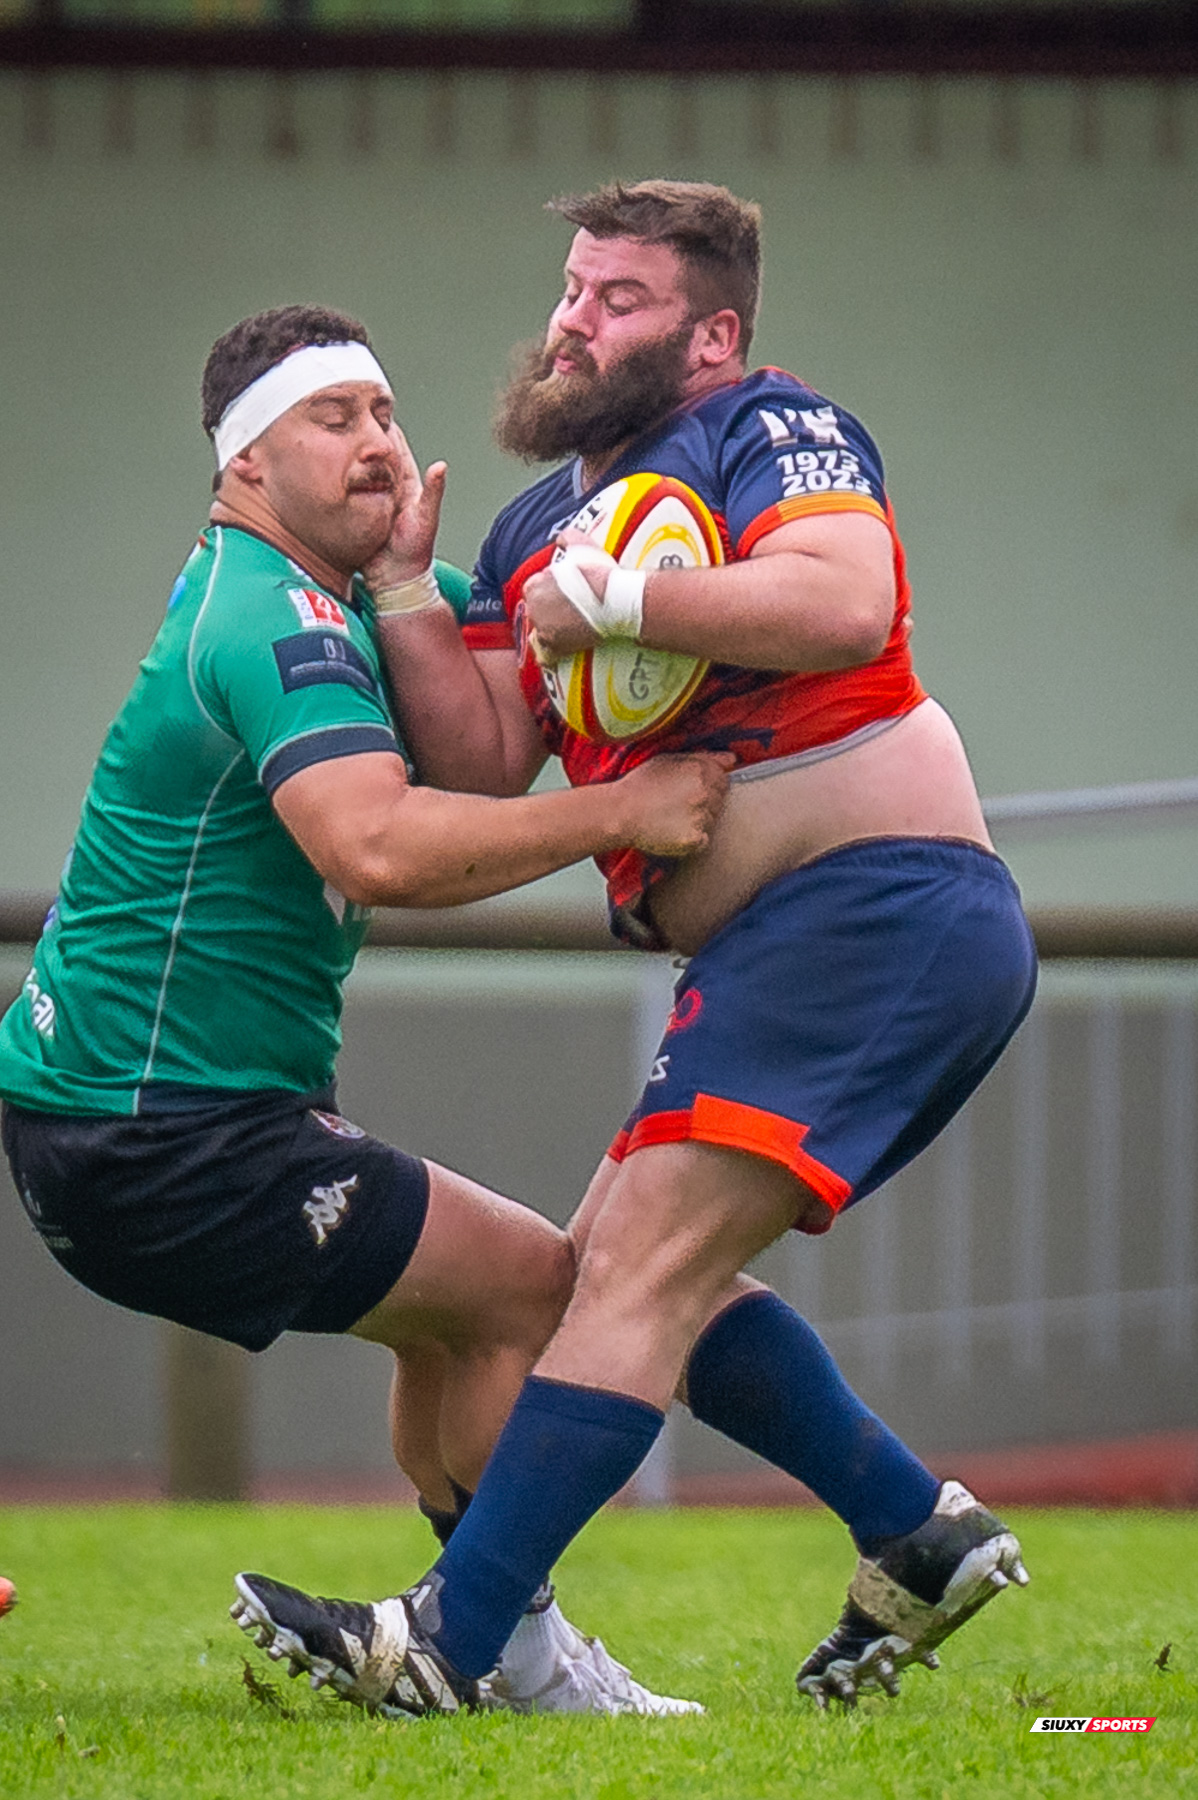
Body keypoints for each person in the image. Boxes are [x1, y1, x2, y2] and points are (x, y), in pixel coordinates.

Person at [234, 184, 1037, 1714]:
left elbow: (841, 600)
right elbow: (474, 767)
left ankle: (447, 1648)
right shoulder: (536, 518)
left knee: (636, 1276)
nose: (571, 321)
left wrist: (622, 599)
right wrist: (409, 584)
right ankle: (912, 1532)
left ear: (712, 334)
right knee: (602, 1268)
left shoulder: (772, 428)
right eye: (569, 289)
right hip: (776, 946)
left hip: (878, 910)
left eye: (617, 299)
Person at [0, 304, 732, 1717]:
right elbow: (380, 846)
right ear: (247, 466)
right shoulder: (264, 612)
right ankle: (504, 1654)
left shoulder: (354, 595)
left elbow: (497, 724)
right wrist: (624, 810)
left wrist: (661, 602)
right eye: (333, 422)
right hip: (160, 1137)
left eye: (387, 413)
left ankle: (494, 1639)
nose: (379, 445)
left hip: (141, 1125)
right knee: (529, 1286)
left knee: (451, 1317)